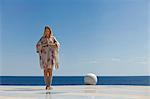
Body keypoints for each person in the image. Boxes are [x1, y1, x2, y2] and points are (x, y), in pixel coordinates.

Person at [36, 26, 60, 90]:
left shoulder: (53, 38)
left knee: (50, 70)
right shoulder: (42, 38)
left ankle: (49, 85)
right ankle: (47, 85)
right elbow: (37, 45)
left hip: (51, 57)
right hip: (44, 57)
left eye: (48, 30)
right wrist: (43, 45)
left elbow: (58, 44)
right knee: (45, 70)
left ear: (50, 31)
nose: (47, 32)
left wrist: (51, 45)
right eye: (46, 30)